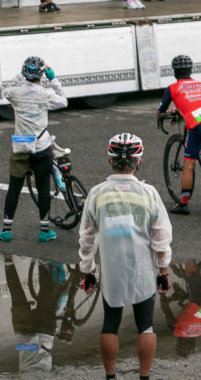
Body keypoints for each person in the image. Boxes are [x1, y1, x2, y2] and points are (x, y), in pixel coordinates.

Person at [78, 133, 172, 380]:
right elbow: (161, 237)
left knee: (110, 324)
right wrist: (163, 272)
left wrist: (88, 270)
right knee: (146, 325)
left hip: (112, 271)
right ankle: (144, 377)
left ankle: (111, 377)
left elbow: (87, 238)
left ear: (110, 161)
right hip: (143, 270)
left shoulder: (97, 193)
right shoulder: (148, 193)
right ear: (138, 161)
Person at [0, 56, 68, 242]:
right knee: (43, 188)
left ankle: (6, 230)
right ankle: (44, 231)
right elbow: (63, 101)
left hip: (20, 145)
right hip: (41, 146)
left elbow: (4, 91)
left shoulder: (15, 93)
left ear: (24, 72)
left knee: (14, 188)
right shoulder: (44, 94)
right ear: (41, 75)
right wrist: (53, 79)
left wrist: (20, 76)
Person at [158, 55, 201, 215]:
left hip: (196, 126)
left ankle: (183, 203)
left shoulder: (172, 88)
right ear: (190, 69)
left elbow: (162, 111)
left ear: (174, 71)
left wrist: (164, 115)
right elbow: (194, 104)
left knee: (189, 165)